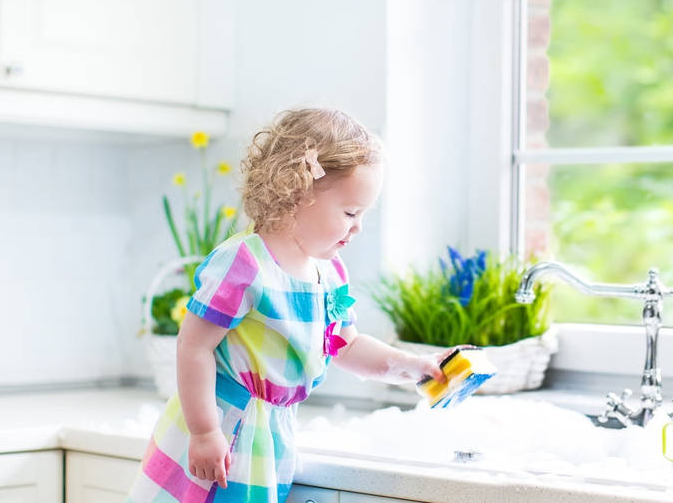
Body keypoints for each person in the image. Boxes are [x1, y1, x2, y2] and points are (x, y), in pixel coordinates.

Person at [127, 108, 452, 502]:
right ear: (297, 191)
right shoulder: (245, 263)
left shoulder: (330, 273)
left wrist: (414, 366)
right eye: (351, 212)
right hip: (224, 425)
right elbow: (194, 345)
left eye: (364, 214)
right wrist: (204, 431)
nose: (358, 227)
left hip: (271, 436)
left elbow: (345, 345)